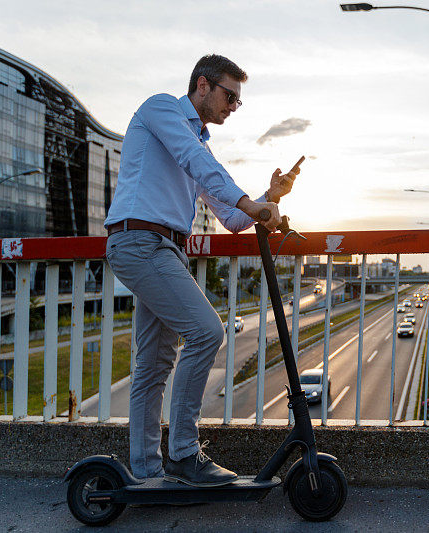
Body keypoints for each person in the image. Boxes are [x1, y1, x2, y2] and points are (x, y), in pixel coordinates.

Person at [103, 54, 297, 487]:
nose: (233, 106)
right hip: (140, 241)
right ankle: (185, 455)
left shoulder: (198, 145)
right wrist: (250, 201)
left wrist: (270, 196)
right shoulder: (161, 110)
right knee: (207, 332)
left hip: (166, 250)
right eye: (231, 96)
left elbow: (230, 218)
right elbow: (195, 160)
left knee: (153, 364)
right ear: (203, 85)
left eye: (238, 102)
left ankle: (148, 473)